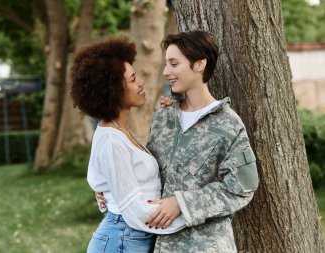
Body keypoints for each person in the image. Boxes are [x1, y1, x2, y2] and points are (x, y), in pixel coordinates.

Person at [98, 30, 259, 253]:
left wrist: (182, 203)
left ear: (199, 64)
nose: (166, 72)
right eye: (166, 64)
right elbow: (149, 173)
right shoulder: (164, 116)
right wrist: (112, 191)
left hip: (204, 246)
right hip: (154, 243)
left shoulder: (229, 124)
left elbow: (242, 189)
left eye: (174, 64)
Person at [71, 36, 186, 253]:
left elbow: (108, 185)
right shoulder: (112, 141)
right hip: (123, 241)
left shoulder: (120, 131)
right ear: (113, 90)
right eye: (132, 79)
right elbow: (136, 211)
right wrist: (191, 213)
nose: (141, 82)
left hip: (131, 237)